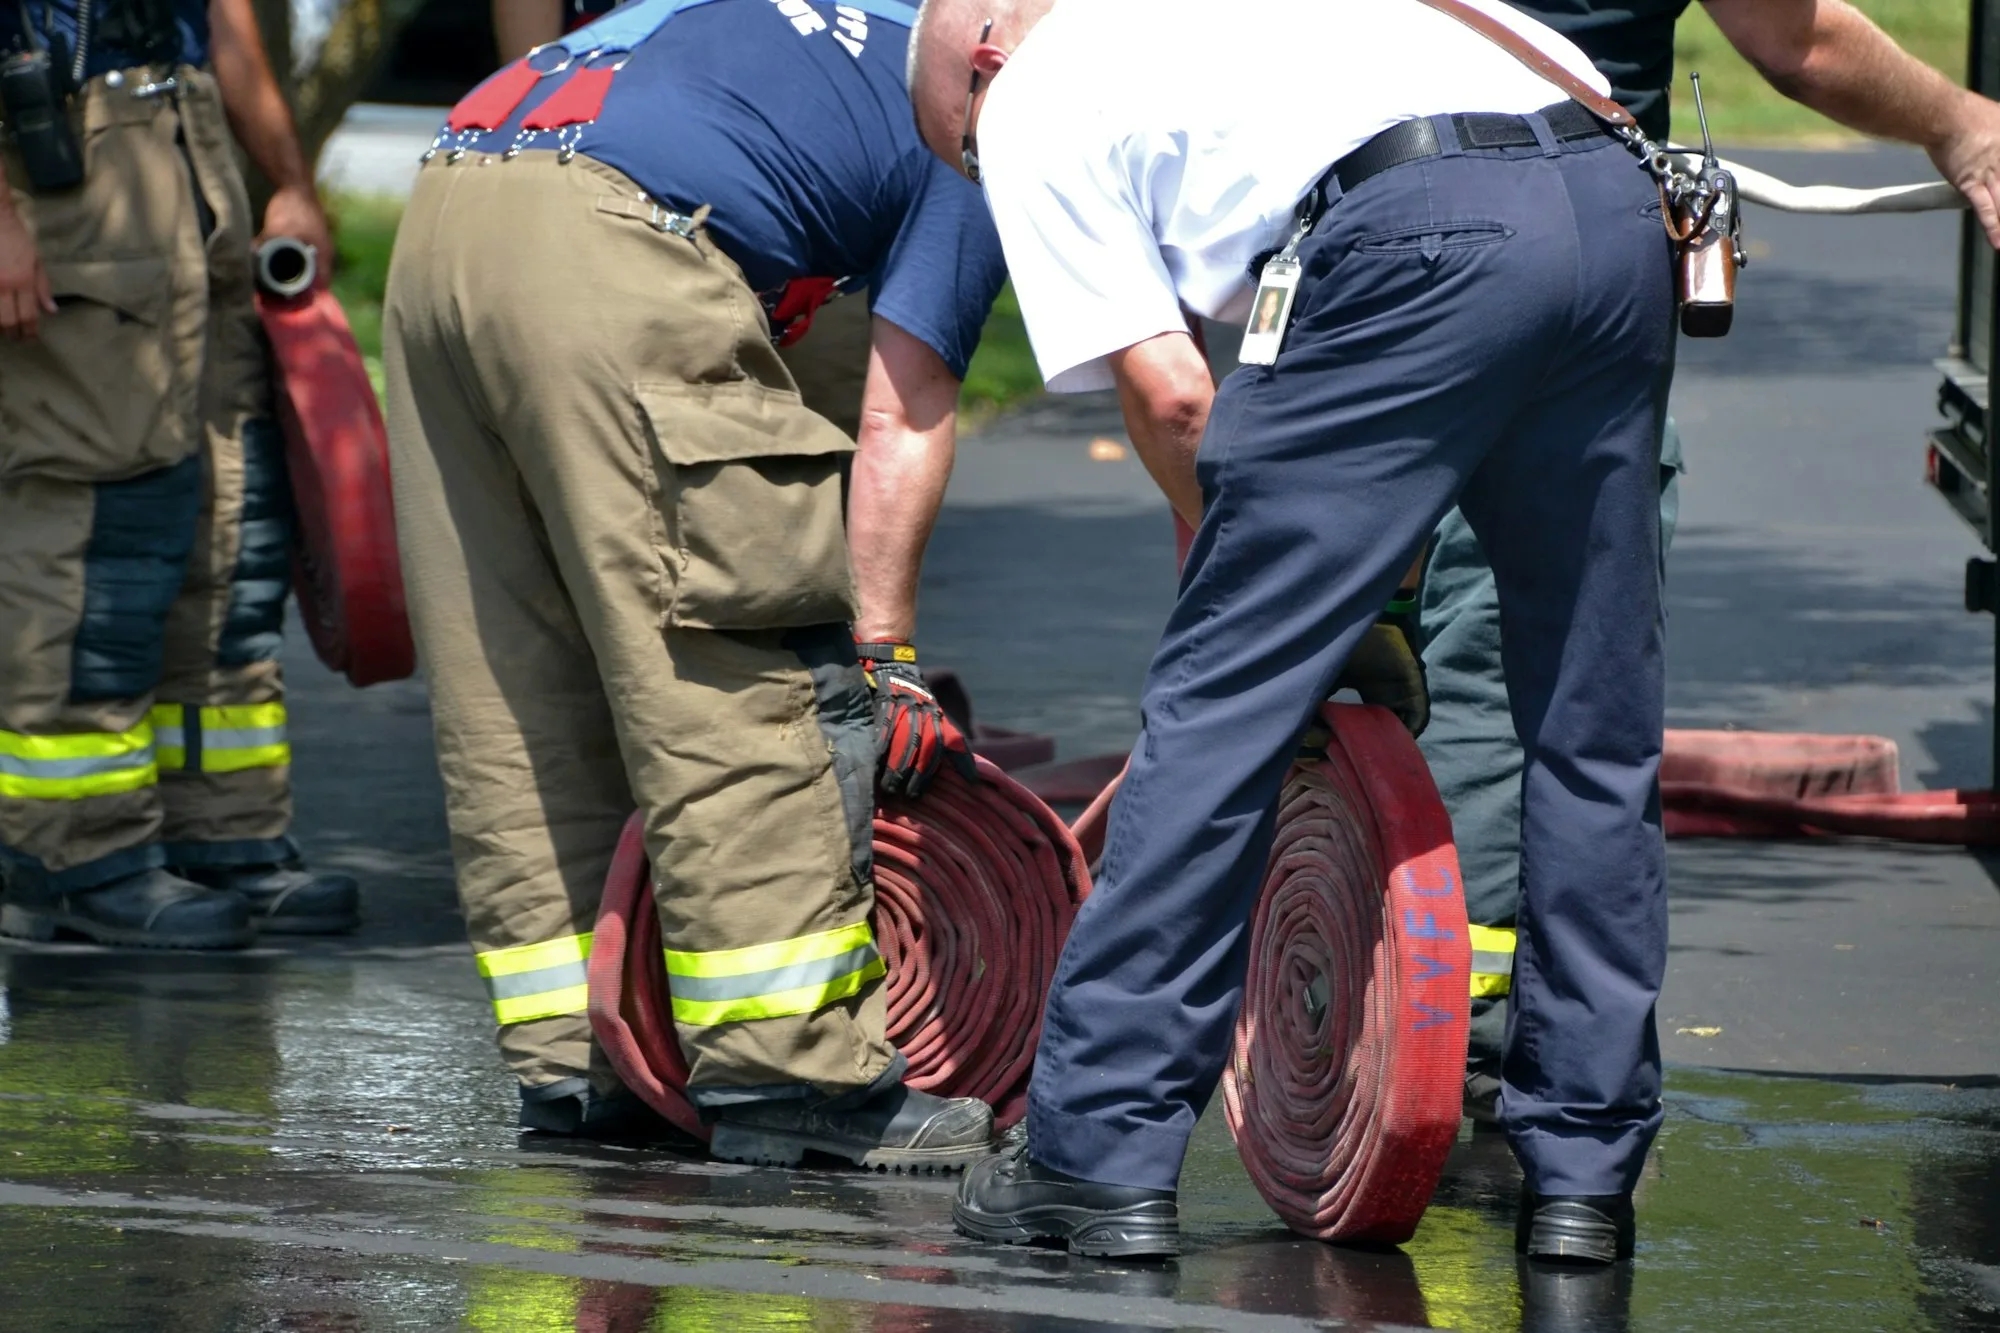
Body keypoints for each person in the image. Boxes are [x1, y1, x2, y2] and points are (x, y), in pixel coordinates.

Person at [910, 0, 1675, 1262]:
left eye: (967, 149)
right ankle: (1583, 1179)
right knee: (1588, 725)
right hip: (1607, 193)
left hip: (1417, 225)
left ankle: (1091, 1155)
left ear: (983, 57)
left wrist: (1263, 610)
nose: (986, 172)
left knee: (1217, 719)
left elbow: (1171, 393)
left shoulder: (1035, 86)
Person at [382, 0, 1004, 1162]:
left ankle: (577, 1068)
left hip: (450, 207)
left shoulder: (800, 25)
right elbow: (900, 414)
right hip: (615, 237)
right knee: (731, 664)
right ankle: (798, 1081)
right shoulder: (983, 128)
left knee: (517, 676)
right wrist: (884, 654)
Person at [1438, 0, 2000, 1120]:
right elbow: (1799, 41)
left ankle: (1354, 1002)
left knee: (1352, 641)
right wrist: (1961, 123)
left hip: (1358, 256)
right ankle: (1489, 1049)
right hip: (1564, 259)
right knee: (1532, 664)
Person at [0, 0, 362, 948]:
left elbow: (229, 16)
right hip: (59, 155)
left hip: (184, 146)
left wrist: (289, 180)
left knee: (228, 518)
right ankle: (70, 857)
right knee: (99, 526)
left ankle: (223, 831)